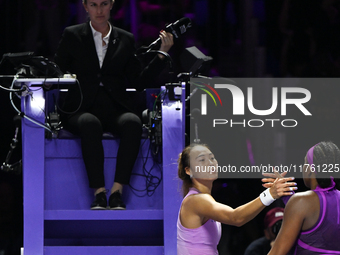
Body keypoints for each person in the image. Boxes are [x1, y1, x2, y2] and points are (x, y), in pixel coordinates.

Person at [54, 0, 174, 210]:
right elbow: (56, 71)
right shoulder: (72, 35)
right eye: (93, 5)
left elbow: (138, 81)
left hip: (115, 107)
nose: (99, 10)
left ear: (111, 6)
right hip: (81, 107)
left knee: (133, 122)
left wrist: (162, 54)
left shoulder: (125, 39)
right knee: (90, 123)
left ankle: (117, 191)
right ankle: (99, 193)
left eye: (103, 4)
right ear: (85, 7)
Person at [177, 143, 297, 255]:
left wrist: (283, 192)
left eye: (212, 158)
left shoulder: (203, 199)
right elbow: (236, 217)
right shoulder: (196, 200)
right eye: (202, 160)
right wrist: (270, 194)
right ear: (188, 170)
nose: (210, 163)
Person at [266, 141, 340, 254]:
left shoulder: (301, 202)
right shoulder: (301, 202)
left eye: (305, 162)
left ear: (310, 169)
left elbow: (277, 252)